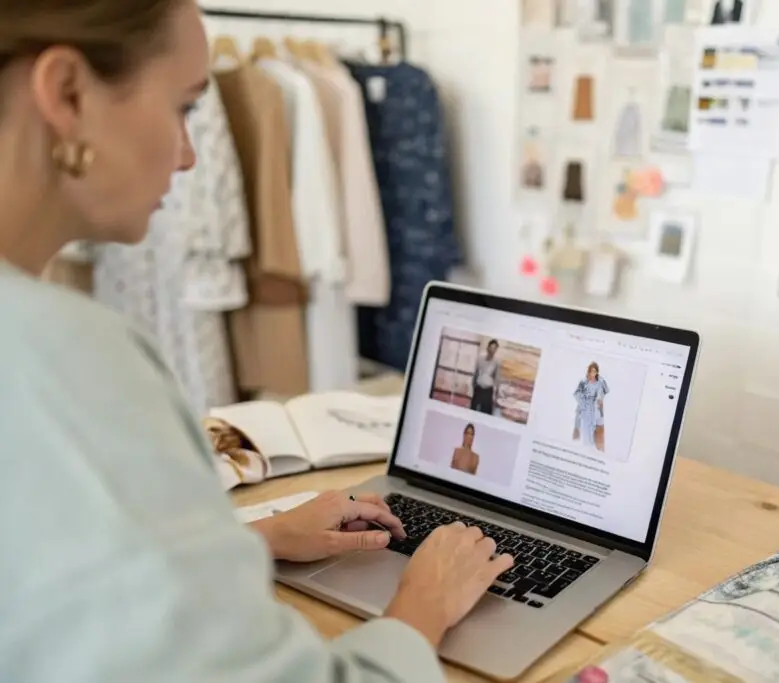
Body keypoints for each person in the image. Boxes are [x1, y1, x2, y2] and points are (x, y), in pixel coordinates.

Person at [0, 2, 513, 682]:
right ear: (67, 92)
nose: (188, 156)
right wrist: (423, 604)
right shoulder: (64, 360)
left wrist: (248, 542)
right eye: (184, 107)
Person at [573, 361, 610, 451]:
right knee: (586, 427)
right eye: (592, 371)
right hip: (585, 407)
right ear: (589, 371)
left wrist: (599, 400)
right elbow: (576, 394)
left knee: (595, 428)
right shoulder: (584, 382)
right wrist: (583, 402)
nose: (593, 373)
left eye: (595, 371)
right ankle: (586, 446)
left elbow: (604, 392)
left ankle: (594, 447)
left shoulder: (600, 382)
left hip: (595, 408)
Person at [470, 339, 500, 415]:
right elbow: (476, 372)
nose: (492, 351)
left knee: (485, 411)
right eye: (491, 348)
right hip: (478, 388)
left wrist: (496, 393)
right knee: (473, 409)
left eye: (495, 349)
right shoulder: (480, 358)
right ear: (488, 348)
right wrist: (473, 384)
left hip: (488, 390)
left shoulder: (496, 362)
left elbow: (496, 378)